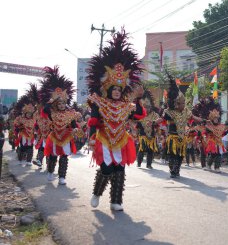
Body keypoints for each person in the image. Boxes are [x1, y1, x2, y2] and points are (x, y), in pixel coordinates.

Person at [87, 29, 145, 211]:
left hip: (121, 140)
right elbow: (94, 121)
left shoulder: (127, 105)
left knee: (120, 170)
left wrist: (138, 100)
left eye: (119, 90)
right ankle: (97, 193)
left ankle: (116, 201)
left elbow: (139, 115)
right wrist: (90, 136)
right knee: (106, 169)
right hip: (104, 139)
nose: (117, 92)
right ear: (109, 89)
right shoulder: (100, 102)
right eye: (114, 90)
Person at [40, 66, 78, 185]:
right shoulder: (52, 113)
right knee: (52, 156)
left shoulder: (70, 113)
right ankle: (50, 171)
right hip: (55, 137)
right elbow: (45, 110)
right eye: (59, 103)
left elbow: (73, 124)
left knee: (64, 157)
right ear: (56, 104)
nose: (61, 105)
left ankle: (62, 176)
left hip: (66, 137)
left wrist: (76, 128)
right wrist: (52, 99)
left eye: (63, 103)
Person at [136, 89, 160, 169]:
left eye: (148, 107)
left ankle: (149, 164)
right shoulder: (141, 114)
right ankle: (139, 163)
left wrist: (154, 123)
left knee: (150, 150)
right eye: (145, 107)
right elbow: (136, 125)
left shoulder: (155, 114)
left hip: (152, 135)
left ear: (151, 106)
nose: (147, 108)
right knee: (141, 149)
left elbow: (159, 121)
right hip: (142, 135)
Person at [13, 94, 36, 166]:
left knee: (30, 148)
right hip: (23, 135)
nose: (29, 115)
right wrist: (17, 131)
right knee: (22, 148)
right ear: (25, 113)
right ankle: (20, 159)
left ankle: (29, 161)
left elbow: (36, 127)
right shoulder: (20, 118)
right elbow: (16, 125)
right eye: (27, 113)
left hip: (31, 136)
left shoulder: (34, 119)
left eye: (30, 114)